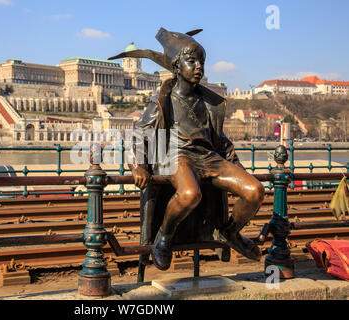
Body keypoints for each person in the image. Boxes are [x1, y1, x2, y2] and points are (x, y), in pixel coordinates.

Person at [109, 27, 265, 271]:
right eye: (191, 61)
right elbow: (139, 133)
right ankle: (164, 237)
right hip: (176, 155)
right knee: (190, 194)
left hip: (208, 157)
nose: (199, 67)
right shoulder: (164, 99)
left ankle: (230, 232)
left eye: (201, 62)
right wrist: (136, 165)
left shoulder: (209, 102)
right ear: (176, 66)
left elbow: (220, 139)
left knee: (255, 190)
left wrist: (237, 165)